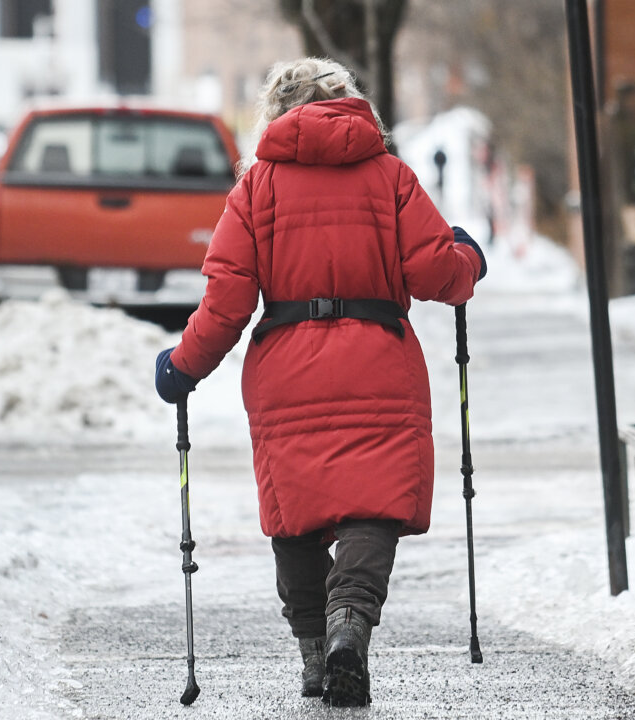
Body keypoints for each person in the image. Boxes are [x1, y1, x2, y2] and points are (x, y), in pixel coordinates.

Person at [154, 57, 486, 707]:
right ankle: (349, 627)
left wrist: (182, 366)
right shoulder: (390, 177)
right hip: (378, 361)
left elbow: (225, 305)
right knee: (375, 504)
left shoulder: (255, 191)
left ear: (275, 112)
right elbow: (435, 274)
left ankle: (314, 654)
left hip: (286, 368)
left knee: (296, 518)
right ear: (351, 103)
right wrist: (468, 257)